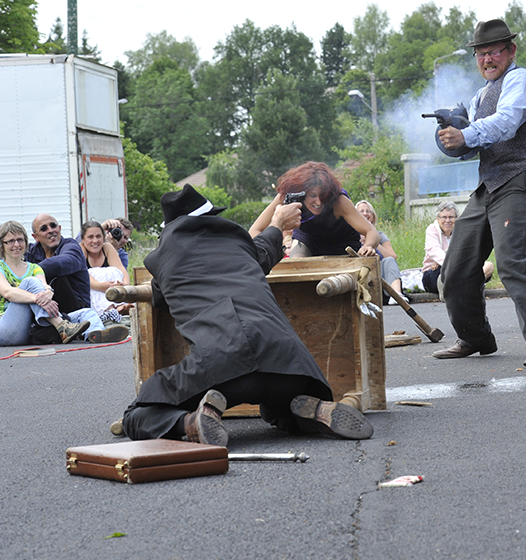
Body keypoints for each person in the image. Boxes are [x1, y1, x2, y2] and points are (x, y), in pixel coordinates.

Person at [121, 184, 374, 447]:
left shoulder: (162, 258)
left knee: (135, 416)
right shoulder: (238, 242)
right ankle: (306, 413)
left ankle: (191, 421)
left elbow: (161, 300)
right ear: (210, 217)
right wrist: (276, 225)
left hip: (223, 369)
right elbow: (263, 252)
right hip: (291, 365)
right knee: (277, 411)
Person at [432, 19, 526, 368]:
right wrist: (453, 134)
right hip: (489, 183)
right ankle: (475, 338)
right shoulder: (480, 95)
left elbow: (507, 122)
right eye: (481, 54)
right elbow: (470, 143)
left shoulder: (522, 80)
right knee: (456, 267)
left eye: (494, 51)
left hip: (522, 178)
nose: (487, 59)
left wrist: (466, 134)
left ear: (511, 51)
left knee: (511, 264)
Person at [25, 214, 129, 344]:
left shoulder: (71, 246)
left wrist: (27, 272)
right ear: (35, 237)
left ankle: (96, 334)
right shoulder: (30, 252)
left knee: (87, 314)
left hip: (73, 308)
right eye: (44, 228)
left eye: (53, 226)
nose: (51, 230)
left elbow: (63, 263)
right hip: (44, 315)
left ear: (59, 228)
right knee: (30, 285)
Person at [249, 161, 379, 259]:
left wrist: (368, 246)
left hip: (343, 244)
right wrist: (271, 250)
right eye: (312, 196)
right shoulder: (287, 197)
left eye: (323, 196)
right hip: (307, 240)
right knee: (295, 267)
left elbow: (371, 231)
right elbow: (254, 231)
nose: (319, 201)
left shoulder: (339, 201)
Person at [0, 220, 90, 346]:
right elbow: (7, 292)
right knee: (30, 282)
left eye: (20, 240)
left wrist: (48, 293)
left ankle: (97, 334)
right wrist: (37, 298)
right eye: (10, 241)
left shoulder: (34, 268)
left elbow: (44, 286)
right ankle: (61, 325)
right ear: (1, 245)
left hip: (30, 328)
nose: (16, 244)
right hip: (5, 327)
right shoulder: (0, 267)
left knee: (86, 313)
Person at [421, 201, 494, 295]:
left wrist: (459, 263)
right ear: (438, 219)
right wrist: (452, 263)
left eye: (451, 217)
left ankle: (460, 287)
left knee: (488, 266)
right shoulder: (432, 230)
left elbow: (469, 252)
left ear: (457, 218)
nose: (447, 220)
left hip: (460, 268)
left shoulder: (461, 230)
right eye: (444, 217)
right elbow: (434, 251)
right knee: (449, 271)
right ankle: (465, 286)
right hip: (435, 272)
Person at [79, 220, 132, 324]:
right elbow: (83, 275)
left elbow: (122, 271)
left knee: (112, 271)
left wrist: (124, 287)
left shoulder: (107, 248)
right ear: (83, 240)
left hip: (113, 291)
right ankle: (108, 310)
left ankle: (121, 306)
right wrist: (102, 286)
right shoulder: (81, 250)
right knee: (95, 273)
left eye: (98, 236)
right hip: (92, 290)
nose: (95, 241)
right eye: (90, 237)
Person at [355, 200, 406, 304]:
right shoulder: (352, 235)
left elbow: (393, 256)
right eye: (361, 211)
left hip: (380, 272)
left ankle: (397, 295)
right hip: (360, 272)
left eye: (368, 211)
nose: (365, 214)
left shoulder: (380, 235)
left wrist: (374, 240)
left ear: (373, 216)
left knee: (389, 260)